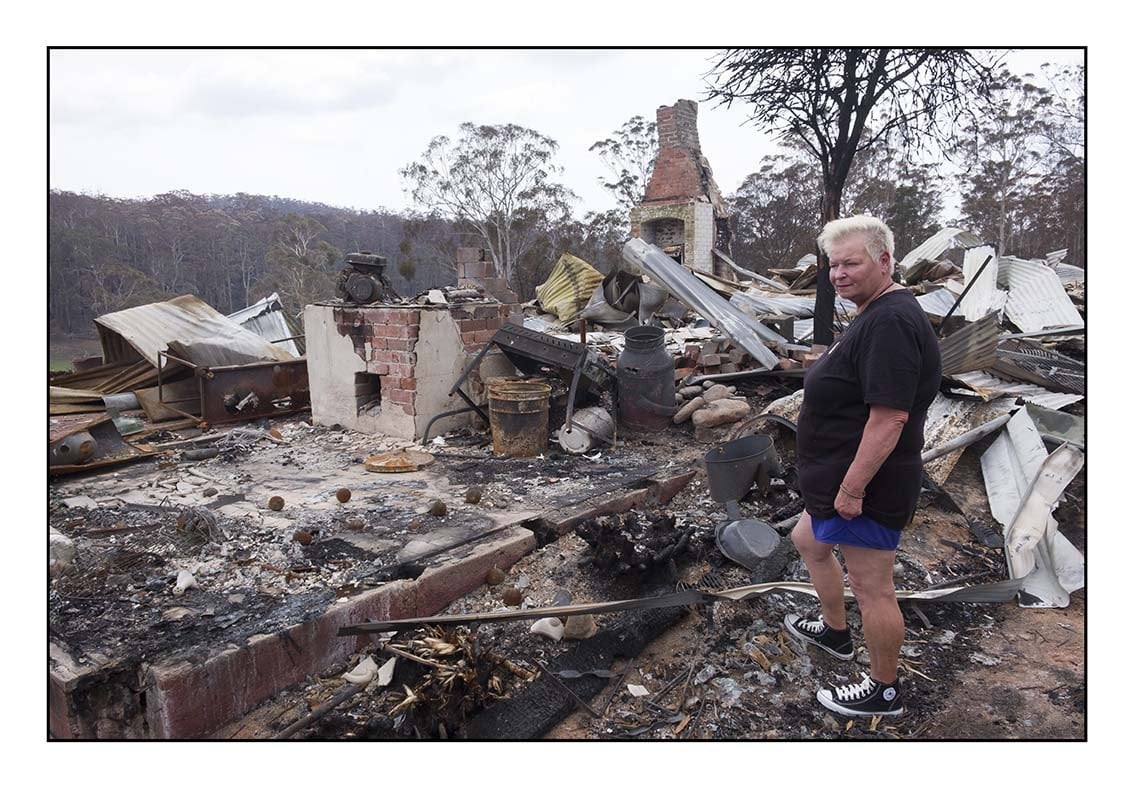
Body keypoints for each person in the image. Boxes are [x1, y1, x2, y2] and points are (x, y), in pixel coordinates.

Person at [782, 216, 941, 717]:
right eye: (833, 264)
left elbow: (889, 417)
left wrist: (852, 490)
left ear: (885, 261)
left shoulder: (892, 320)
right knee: (807, 540)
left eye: (852, 262)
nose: (839, 273)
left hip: (866, 485)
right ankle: (835, 631)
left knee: (874, 590)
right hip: (836, 479)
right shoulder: (874, 314)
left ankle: (884, 690)